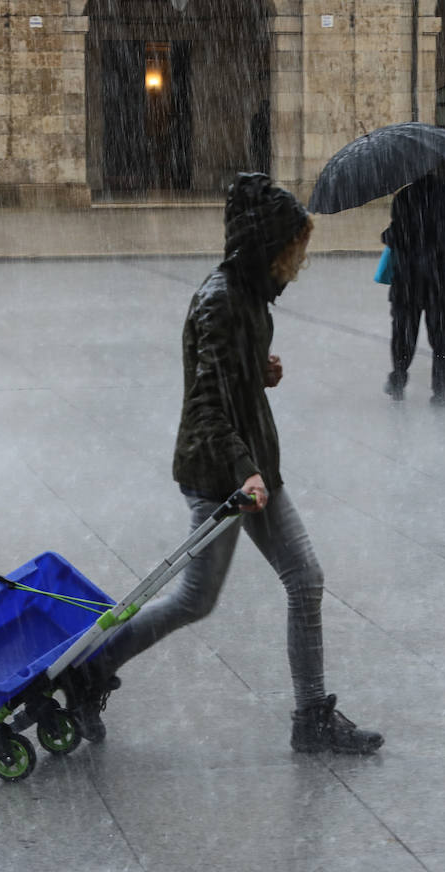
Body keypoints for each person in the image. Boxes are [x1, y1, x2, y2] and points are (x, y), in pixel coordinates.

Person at [68, 172, 383, 756]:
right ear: (268, 244)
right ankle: (90, 670)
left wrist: (260, 370)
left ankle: (311, 717)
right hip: (222, 470)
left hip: (250, 462)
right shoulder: (220, 300)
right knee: (196, 599)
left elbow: (230, 378)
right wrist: (245, 470)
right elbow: (207, 405)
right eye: (294, 249)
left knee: (305, 580)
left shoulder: (250, 291)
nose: (299, 262)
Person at [381, 160, 445, 406]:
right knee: (444, 336)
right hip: (441, 278)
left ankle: (398, 378)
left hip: (408, 279)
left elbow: (396, 235)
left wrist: (388, 235)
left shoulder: (404, 198)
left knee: (404, 333)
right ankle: (443, 390)